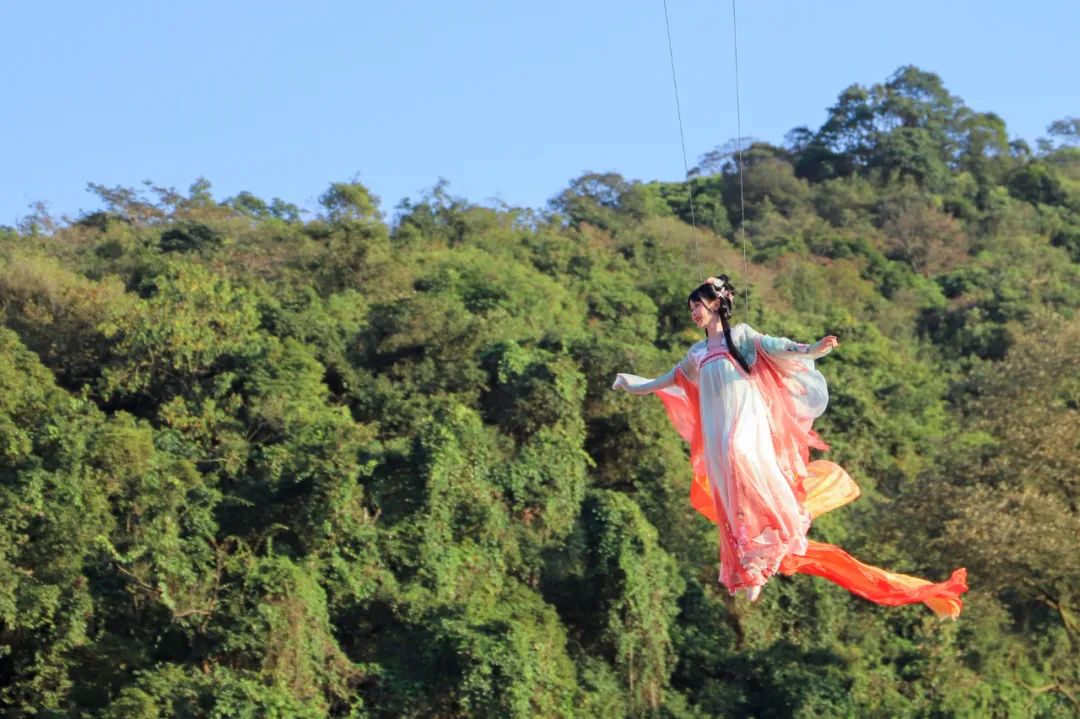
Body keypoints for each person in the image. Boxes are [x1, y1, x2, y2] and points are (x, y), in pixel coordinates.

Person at [612, 275, 968, 617]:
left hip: (746, 426)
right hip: (719, 433)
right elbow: (669, 379)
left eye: (698, 305)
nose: (693, 312)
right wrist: (635, 384)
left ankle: (775, 536)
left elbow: (779, 347)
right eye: (690, 307)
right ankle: (754, 569)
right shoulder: (697, 353)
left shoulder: (743, 337)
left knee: (741, 454)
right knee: (729, 497)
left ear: (718, 304)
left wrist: (814, 349)